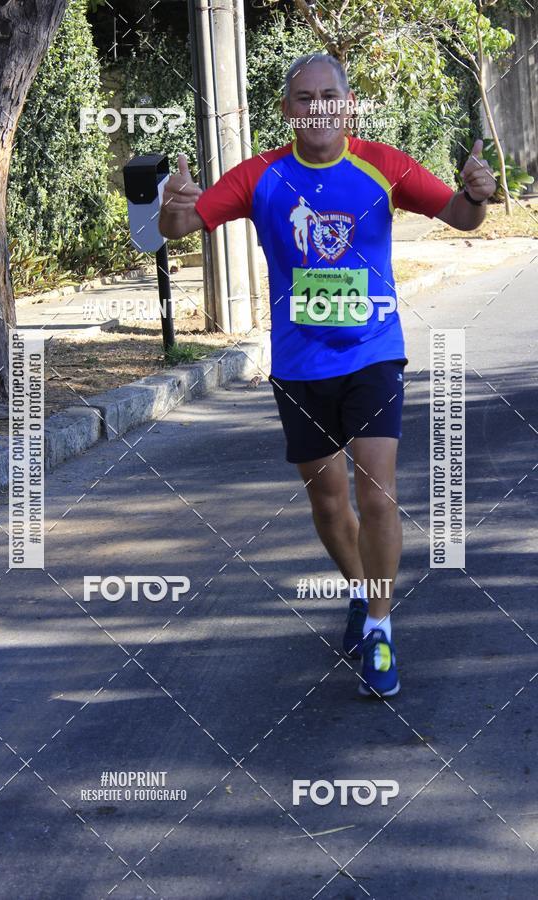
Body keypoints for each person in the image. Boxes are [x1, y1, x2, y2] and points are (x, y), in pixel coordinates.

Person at [158, 52, 495, 699]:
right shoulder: (262, 177)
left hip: (374, 353)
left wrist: (479, 195)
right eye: (304, 98)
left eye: (328, 96)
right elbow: (181, 226)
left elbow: (461, 215)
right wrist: (172, 206)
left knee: (376, 493)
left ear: (349, 106)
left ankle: (381, 628)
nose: (317, 108)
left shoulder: (382, 166)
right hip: (299, 365)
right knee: (329, 500)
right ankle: (360, 588)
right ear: (287, 110)